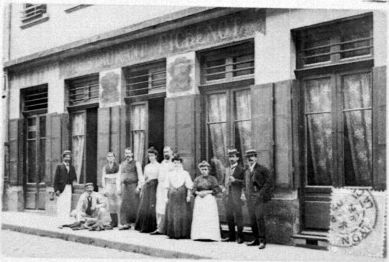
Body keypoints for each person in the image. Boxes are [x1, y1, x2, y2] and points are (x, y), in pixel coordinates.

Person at [244, 149, 274, 250]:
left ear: (256, 157)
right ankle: (256, 239)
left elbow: (269, 182)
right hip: (249, 197)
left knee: (259, 218)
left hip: (259, 198)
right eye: (248, 157)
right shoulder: (247, 170)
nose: (250, 159)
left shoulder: (262, 169)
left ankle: (262, 241)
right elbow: (245, 184)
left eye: (252, 156)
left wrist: (260, 194)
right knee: (252, 219)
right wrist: (244, 193)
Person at [191, 160, 221, 241]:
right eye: (202, 169)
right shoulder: (197, 179)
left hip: (209, 199)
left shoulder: (212, 179)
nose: (204, 171)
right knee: (200, 217)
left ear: (208, 170)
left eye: (205, 169)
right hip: (200, 200)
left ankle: (210, 236)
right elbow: (193, 189)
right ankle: (199, 235)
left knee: (208, 217)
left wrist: (208, 192)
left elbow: (217, 189)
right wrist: (198, 193)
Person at [164, 154, 193, 239]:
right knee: (172, 214)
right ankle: (172, 233)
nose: (176, 164)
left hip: (182, 197)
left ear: (181, 164)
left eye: (178, 163)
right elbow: (166, 186)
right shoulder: (169, 174)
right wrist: (165, 197)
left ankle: (182, 233)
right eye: (175, 163)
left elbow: (189, 186)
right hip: (172, 196)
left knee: (182, 214)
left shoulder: (185, 173)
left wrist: (188, 195)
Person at [221, 149, 245, 244]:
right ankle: (231, 236)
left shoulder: (241, 169)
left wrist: (235, 180)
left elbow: (245, 183)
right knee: (229, 216)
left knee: (239, 216)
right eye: (230, 156)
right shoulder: (226, 169)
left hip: (237, 196)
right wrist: (222, 188)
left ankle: (240, 237)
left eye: (233, 156)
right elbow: (222, 182)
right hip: (228, 196)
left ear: (237, 158)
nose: (231, 158)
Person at [118, 147, 144, 230]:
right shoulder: (122, 164)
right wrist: (118, 187)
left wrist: (139, 186)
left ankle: (136, 223)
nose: (127, 155)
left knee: (135, 205)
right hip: (124, 187)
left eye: (129, 153)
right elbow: (119, 176)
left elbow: (140, 175)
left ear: (132, 154)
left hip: (133, 186)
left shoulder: (136, 163)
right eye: (126, 153)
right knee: (124, 205)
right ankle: (125, 223)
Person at [135, 147, 160, 233]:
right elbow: (144, 178)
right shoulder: (147, 166)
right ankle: (144, 227)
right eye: (149, 156)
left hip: (155, 186)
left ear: (156, 156)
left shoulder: (159, 166)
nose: (151, 157)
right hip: (147, 186)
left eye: (152, 156)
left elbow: (159, 178)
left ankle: (152, 227)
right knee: (145, 205)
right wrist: (141, 186)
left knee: (152, 205)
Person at [151, 146, 173, 235]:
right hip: (160, 187)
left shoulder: (174, 163)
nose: (166, 154)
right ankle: (159, 228)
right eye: (164, 152)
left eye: (167, 152)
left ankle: (169, 229)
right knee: (159, 207)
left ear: (171, 152)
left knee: (167, 207)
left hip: (169, 187)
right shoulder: (162, 163)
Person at [54, 150, 77, 219]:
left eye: (69, 157)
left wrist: (74, 182)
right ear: (63, 158)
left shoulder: (72, 167)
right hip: (61, 188)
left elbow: (74, 177)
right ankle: (60, 218)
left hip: (69, 187)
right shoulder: (59, 166)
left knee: (67, 203)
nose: (68, 159)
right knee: (61, 203)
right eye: (66, 157)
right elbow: (56, 179)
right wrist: (56, 189)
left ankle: (66, 218)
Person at [101, 152, 121, 227]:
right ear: (107, 158)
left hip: (116, 185)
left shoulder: (118, 166)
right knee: (111, 204)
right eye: (108, 157)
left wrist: (119, 188)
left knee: (118, 204)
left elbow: (118, 177)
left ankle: (119, 222)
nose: (110, 158)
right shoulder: (105, 167)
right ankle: (113, 222)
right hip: (108, 186)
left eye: (111, 156)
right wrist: (104, 189)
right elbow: (103, 178)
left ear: (114, 158)